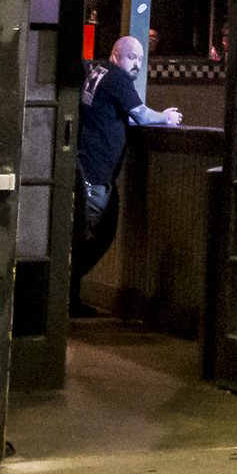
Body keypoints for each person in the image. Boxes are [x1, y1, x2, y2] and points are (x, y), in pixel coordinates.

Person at [71, 32, 182, 301]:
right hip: (96, 173)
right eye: (132, 57)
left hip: (87, 167)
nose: (137, 65)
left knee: (89, 233)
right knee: (91, 236)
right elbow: (141, 115)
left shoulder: (97, 71)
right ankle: (67, 295)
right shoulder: (118, 78)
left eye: (141, 59)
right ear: (116, 55)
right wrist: (166, 117)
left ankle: (69, 295)